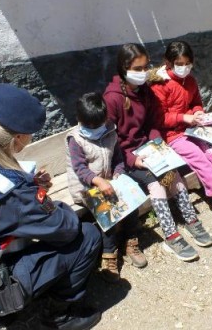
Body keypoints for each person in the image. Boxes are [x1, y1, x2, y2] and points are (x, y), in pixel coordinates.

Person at [0, 83, 102, 330]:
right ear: (18, 138)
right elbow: (66, 227)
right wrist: (40, 198)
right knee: (87, 236)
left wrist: (29, 188)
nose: (32, 137)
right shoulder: (12, 192)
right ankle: (59, 316)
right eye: (31, 134)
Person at [102, 43, 212, 262]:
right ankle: (171, 235)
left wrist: (158, 145)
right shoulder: (112, 98)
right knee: (155, 184)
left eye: (146, 67)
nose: (144, 73)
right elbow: (109, 141)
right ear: (124, 68)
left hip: (148, 149)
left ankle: (190, 219)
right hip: (125, 158)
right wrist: (133, 159)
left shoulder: (145, 92)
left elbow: (153, 122)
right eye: (138, 68)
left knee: (173, 175)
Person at [147, 40, 212, 218]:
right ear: (168, 63)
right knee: (200, 159)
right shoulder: (159, 85)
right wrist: (184, 117)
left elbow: (196, 103)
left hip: (194, 127)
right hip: (172, 135)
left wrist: (198, 113)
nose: (184, 68)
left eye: (187, 64)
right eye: (179, 64)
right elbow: (158, 118)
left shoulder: (190, 81)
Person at [65, 92, 148, 283]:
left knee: (131, 205)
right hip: (85, 186)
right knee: (108, 212)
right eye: (89, 126)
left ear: (105, 118)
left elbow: (117, 158)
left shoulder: (109, 131)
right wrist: (98, 181)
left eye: (98, 125)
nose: (94, 129)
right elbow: (79, 169)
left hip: (109, 181)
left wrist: (118, 174)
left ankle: (130, 240)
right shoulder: (76, 139)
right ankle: (109, 254)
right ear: (79, 120)